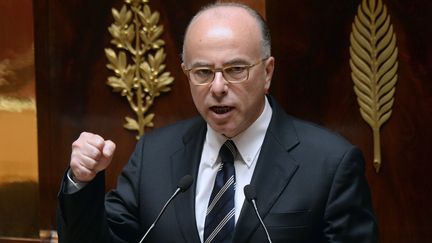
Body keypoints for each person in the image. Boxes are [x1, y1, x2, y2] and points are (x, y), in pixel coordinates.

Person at [57, 2, 378, 243]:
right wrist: (81, 182)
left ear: (267, 73)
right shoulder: (153, 155)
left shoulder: (330, 164)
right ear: (186, 74)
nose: (218, 87)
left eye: (236, 69)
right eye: (203, 72)